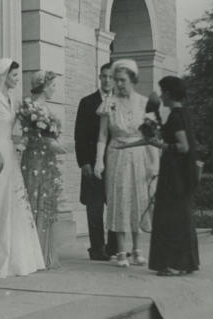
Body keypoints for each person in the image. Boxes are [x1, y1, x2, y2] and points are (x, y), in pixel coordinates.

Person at [0, 58, 45, 277]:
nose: (17, 80)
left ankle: (17, 257)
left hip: (9, 149)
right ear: (3, 75)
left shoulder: (9, 98)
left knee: (13, 200)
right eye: (15, 75)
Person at [94, 59, 158, 267]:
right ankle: (121, 251)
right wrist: (98, 161)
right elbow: (102, 135)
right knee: (120, 199)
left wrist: (153, 163)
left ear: (133, 79)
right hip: (117, 155)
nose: (118, 84)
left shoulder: (143, 103)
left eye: (122, 80)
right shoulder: (109, 103)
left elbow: (150, 136)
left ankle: (137, 249)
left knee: (138, 200)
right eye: (116, 80)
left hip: (138, 156)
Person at [148, 76, 200, 276]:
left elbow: (183, 146)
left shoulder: (176, 116)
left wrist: (160, 145)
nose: (161, 96)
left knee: (171, 217)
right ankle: (185, 263)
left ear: (169, 93)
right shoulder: (182, 114)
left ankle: (174, 264)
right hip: (180, 174)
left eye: (163, 92)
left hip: (174, 175)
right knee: (181, 216)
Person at [21, 70, 64, 269]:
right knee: (34, 198)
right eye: (53, 85)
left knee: (46, 200)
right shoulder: (31, 107)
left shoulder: (45, 108)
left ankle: (45, 253)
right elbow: (32, 135)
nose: (55, 89)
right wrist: (48, 142)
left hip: (47, 160)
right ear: (44, 86)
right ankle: (33, 253)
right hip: (35, 159)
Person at [74, 62, 118, 261]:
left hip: (117, 162)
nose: (107, 80)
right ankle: (97, 248)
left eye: (110, 76)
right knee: (95, 207)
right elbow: (80, 135)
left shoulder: (122, 102)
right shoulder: (87, 102)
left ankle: (114, 247)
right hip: (93, 162)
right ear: (99, 77)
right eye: (104, 76)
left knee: (116, 206)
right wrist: (84, 162)